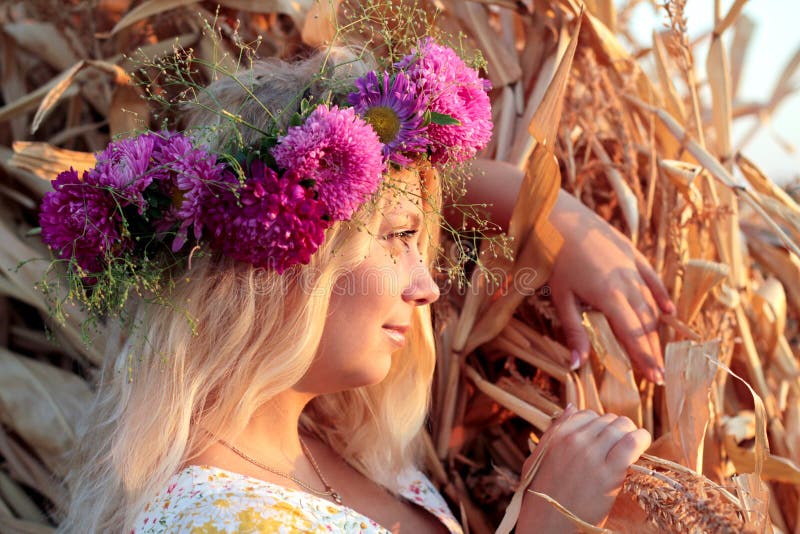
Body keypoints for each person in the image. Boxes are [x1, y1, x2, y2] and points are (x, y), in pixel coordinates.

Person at [47, 40, 653, 533]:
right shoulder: (216, 521)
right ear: (281, 252)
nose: (427, 287)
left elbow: (404, 197)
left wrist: (557, 219)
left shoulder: (334, 442)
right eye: (398, 239)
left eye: (420, 240)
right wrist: (548, 527)